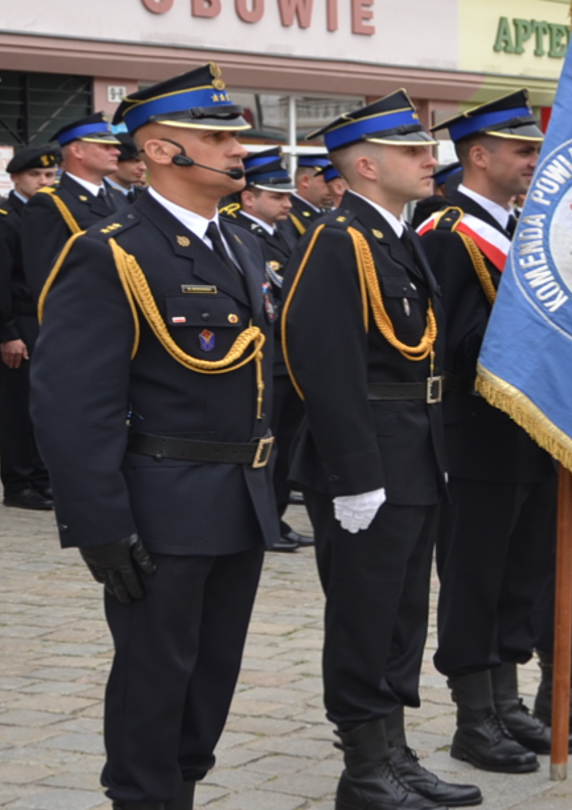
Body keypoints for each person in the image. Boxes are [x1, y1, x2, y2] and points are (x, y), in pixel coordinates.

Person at [30, 63, 279, 810]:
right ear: (166, 151)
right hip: (162, 507)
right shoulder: (113, 251)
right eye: (219, 138)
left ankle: (183, 790)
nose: (241, 151)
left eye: (236, 137)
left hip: (238, 500)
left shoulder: (238, 244)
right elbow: (74, 405)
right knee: (154, 678)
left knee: (210, 677)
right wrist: (98, 524)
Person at [283, 89, 479, 809]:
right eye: (413, 151)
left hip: (415, 450)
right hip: (369, 458)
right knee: (365, 615)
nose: (432, 160)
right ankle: (364, 768)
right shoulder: (338, 241)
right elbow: (319, 361)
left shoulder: (395, 235)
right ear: (364, 165)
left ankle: (396, 753)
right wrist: (353, 473)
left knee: (402, 614)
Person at [416, 90, 572, 772]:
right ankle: (472, 714)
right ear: (478, 155)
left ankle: (507, 697)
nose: (535, 160)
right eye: (522, 149)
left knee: (523, 572)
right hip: (474, 432)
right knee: (476, 575)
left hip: (532, 430)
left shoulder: (521, 230)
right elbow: (448, 344)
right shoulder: (448, 234)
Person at [221, 147, 310, 554]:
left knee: (284, 445)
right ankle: (264, 521)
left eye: (289, 196)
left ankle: (275, 518)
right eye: (278, 196)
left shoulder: (283, 231)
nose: (288, 204)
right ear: (249, 197)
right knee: (266, 447)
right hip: (262, 359)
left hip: (288, 358)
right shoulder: (234, 232)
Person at [0, 145, 62, 512]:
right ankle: (19, 483)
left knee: (47, 407)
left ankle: (43, 478)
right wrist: (7, 333)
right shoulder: (2, 218)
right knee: (17, 407)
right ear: (16, 179)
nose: (43, 182)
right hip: (21, 321)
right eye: (35, 176)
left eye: (48, 175)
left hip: (52, 320)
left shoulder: (52, 215)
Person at [22, 112, 127, 303]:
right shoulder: (50, 202)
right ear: (77, 151)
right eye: (106, 146)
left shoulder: (118, 197)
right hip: (85, 309)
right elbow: (45, 274)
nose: (117, 152)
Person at [106, 133, 147, 198]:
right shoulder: (98, 194)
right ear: (115, 160)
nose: (143, 167)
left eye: (145, 161)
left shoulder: (146, 195)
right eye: (135, 161)